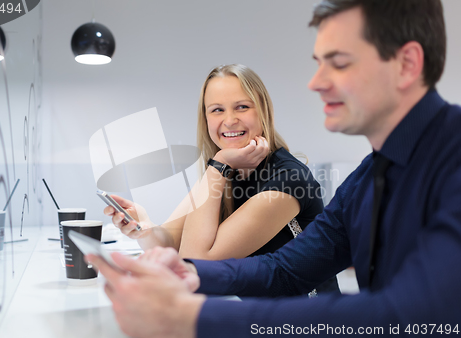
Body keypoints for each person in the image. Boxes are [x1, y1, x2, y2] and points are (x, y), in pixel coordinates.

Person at [87, 0, 461, 337]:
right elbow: (285, 268)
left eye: (340, 63)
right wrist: (192, 272)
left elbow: (417, 315)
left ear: (407, 64)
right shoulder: (368, 177)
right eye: (318, 64)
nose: (315, 83)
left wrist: (195, 317)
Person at [105, 64, 339, 293]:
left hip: (305, 322)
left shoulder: (287, 180)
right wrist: (144, 228)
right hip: (262, 317)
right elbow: (168, 243)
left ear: (263, 111)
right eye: (217, 109)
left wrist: (219, 164)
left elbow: (195, 263)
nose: (229, 120)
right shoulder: (225, 172)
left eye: (242, 107)